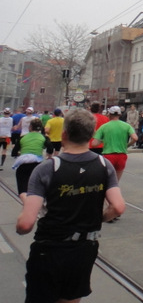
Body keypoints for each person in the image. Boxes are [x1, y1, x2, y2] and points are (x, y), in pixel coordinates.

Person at [16, 108, 125, 303]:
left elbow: (25, 225)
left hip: (50, 249)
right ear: (92, 135)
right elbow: (117, 207)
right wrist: (98, 218)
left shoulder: (46, 168)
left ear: (65, 135)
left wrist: (21, 219)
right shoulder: (103, 165)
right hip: (84, 248)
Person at [93, 105, 137, 183]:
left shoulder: (104, 127)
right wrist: (127, 145)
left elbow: (94, 144)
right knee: (115, 181)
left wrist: (104, 140)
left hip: (108, 156)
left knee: (106, 180)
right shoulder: (127, 126)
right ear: (120, 115)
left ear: (109, 114)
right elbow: (135, 138)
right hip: (122, 155)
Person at [13, 117, 54, 201]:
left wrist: (21, 153)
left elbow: (14, 153)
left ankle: (27, 205)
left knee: (23, 191)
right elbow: (50, 149)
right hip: (37, 166)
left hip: (23, 166)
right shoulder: (43, 138)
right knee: (37, 190)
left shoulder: (23, 138)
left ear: (30, 127)